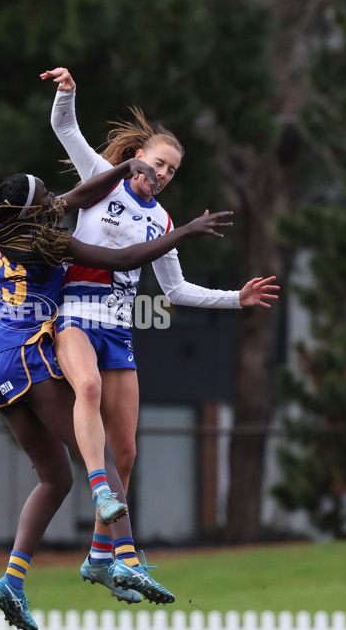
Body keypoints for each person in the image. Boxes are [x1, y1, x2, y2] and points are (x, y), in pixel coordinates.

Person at [40, 66, 280, 595]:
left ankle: (102, 556)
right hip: (77, 316)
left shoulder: (164, 222)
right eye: (159, 161)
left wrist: (236, 298)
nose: (165, 172)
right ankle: (101, 497)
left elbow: (175, 293)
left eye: (172, 169)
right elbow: (66, 130)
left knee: (126, 450)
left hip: (120, 331)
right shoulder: (104, 178)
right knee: (87, 387)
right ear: (140, 156)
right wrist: (68, 92)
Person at [0, 165, 234, 630]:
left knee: (55, 479)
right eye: (47, 197)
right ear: (35, 212)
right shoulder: (49, 242)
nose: (56, 198)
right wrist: (186, 232)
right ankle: (123, 558)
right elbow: (123, 260)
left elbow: (76, 195)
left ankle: (12, 582)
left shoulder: (7, 226)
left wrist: (122, 168)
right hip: (26, 356)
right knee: (103, 457)